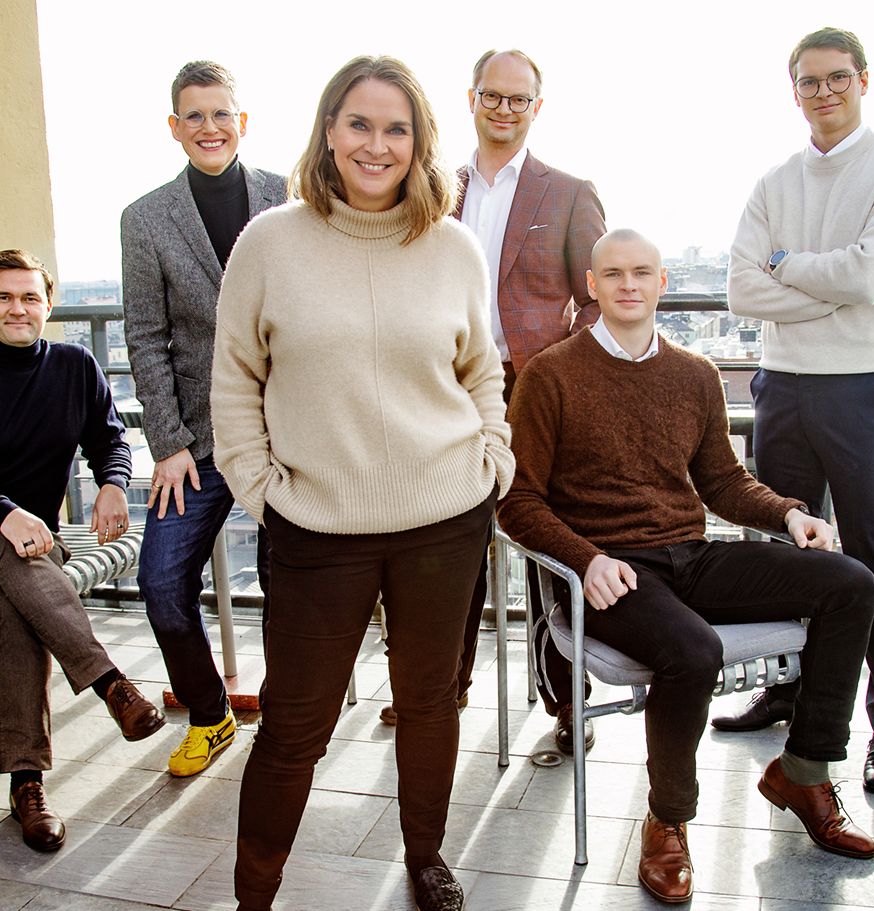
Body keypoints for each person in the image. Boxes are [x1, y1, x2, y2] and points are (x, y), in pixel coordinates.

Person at [211, 56, 513, 911]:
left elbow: (481, 368)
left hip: (444, 516)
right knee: (294, 724)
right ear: (328, 131)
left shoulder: (452, 246)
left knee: (429, 702)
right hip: (315, 525)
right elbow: (234, 377)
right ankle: (253, 896)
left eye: (396, 129)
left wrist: (492, 458)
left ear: (420, 142)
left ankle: (426, 858)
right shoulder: (269, 242)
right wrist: (261, 489)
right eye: (359, 124)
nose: (376, 145)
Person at [498, 229, 874, 903]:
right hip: (613, 571)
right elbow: (517, 500)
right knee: (694, 652)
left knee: (850, 584)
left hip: (690, 555)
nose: (628, 284)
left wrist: (790, 515)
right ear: (592, 285)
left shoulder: (695, 374)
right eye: (614, 273)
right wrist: (586, 560)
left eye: (642, 272)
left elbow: (723, 482)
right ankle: (667, 819)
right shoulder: (550, 375)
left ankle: (805, 772)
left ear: (662, 283)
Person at [376, 48, 607, 757]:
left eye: (518, 98)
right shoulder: (432, 189)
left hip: (531, 392)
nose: (504, 108)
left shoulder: (570, 193)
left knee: (545, 546)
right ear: (471, 98)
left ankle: (567, 699)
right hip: (443, 392)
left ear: (537, 106)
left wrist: (559, 378)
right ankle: (439, 688)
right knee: (444, 547)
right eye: (492, 95)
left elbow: (596, 301)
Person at [721, 26, 874, 795]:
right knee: (785, 554)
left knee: (872, 559)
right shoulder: (774, 182)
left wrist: (789, 268)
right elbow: (741, 289)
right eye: (809, 81)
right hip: (782, 385)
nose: (824, 92)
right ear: (795, 92)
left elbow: (871, 276)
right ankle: (785, 694)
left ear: (863, 81)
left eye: (837, 77)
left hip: (861, 386)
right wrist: (830, 290)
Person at [0, 249, 166, 853]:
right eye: (3, 297)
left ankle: (26, 786)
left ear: (48, 305)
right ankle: (112, 685)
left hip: (28, 546)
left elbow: (109, 438)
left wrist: (112, 484)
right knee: (10, 555)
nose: (17, 309)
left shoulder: (75, 367)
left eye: (29, 297)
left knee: (17, 607)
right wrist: (7, 513)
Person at [121, 60, 287, 778]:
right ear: (174, 127)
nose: (209, 127)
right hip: (198, 440)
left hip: (289, 434)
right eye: (194, 115)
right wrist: (168, 443)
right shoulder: (145, 219)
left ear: (241, 122)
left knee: (290, 585)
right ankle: (211, 715)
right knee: (161, 582)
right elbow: (144, 336)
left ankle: (286, 721)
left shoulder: (288, 195)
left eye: (221, 114)